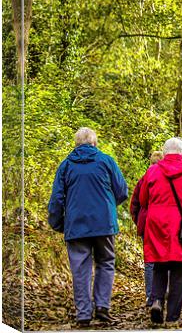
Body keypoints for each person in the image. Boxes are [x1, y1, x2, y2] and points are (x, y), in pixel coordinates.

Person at [48, 127, 128, 327]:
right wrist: (107, 206)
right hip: (104, 224)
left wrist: (58, 223)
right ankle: (102, 307)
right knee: (106, 262)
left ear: (76, 144)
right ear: (95, 143)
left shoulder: (66, 165)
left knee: (80, 268)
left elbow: (57, 198)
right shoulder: (107, 161)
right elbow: (122, 190)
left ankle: (83, 313)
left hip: (76, 225)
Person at [140, 137, 182, 323]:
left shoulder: (152, 171)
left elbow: (143, 199)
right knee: (179, 270)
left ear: (164, 151)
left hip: (157, 223)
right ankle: (172, 316)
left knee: (159, 265)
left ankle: (157, 300)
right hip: (181, 225)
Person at [130, 150, 164, 308]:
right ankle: (161, 296)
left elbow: (135, 203)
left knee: (150, 262)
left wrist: (138, 221)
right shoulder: (166, 178)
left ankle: (150, 297)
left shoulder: (144, 179)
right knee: (164, 260)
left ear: (150, 163)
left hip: (146, 223)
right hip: (163, 223)